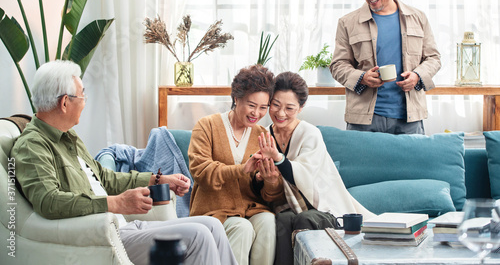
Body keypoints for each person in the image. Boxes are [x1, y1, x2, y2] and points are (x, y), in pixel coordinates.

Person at [12, 60, 237, 265]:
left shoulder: (69, 137)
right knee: (198, 236)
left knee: (213, 226)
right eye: (82, 96)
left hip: (124, 225)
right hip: (102, 237)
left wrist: (159, 179)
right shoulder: (33, 146)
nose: (84, 102)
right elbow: (48, 201)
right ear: (64, 103)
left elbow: (105, 177)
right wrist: (116, 203)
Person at [256, 72, 374, 265]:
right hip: (288, 206)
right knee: (283, 219)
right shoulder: (265, 135)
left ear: (301, 108)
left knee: (305, 219)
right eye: (275, 105)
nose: (281, 113)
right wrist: (260, 176)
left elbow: (305, 176)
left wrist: (278, 158)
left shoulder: (310, 133)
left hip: (324, 209)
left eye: (289, 108)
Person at [330, 0, 441, 134]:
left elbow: (433, 58)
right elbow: (337, 65)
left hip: (409, 118)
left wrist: (417, 76)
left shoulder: (418, 18)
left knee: (411, 164)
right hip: (363, 121)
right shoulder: (347, 22)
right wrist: (362, 78)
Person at [188, 64, 283, 265]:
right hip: (213, 211)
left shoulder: (262, 136)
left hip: (251, 208)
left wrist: (269, 180)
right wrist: (241, 169)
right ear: (235, 98)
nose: (256, 113)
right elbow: (200, 172)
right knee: (242, 227)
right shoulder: (206, 126)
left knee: (267, 221)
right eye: (251, 105)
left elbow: (269, 195)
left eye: (263, 107)